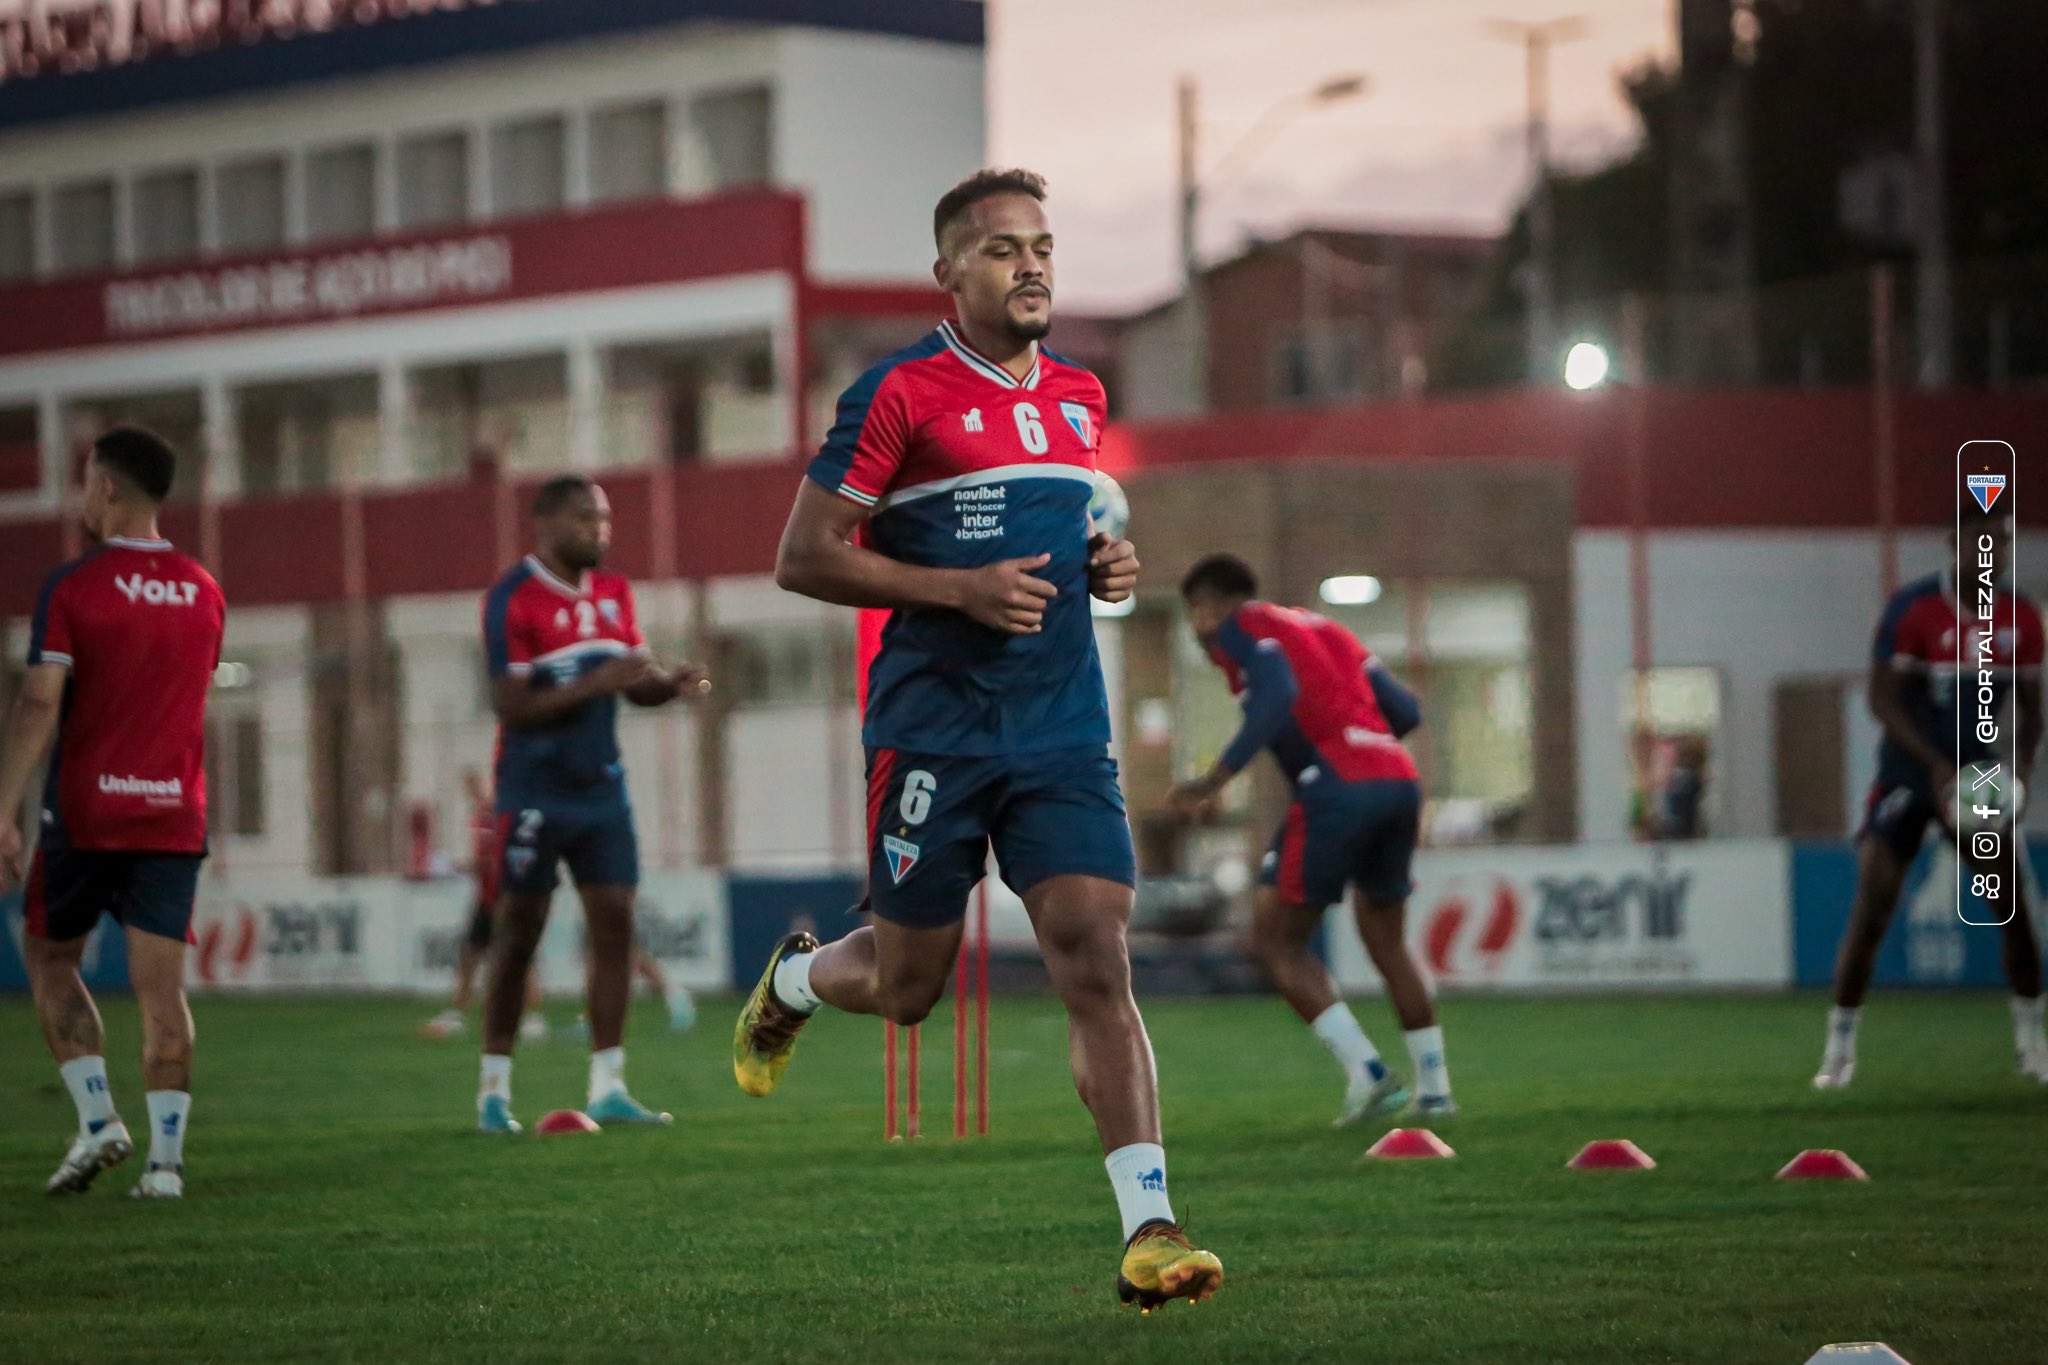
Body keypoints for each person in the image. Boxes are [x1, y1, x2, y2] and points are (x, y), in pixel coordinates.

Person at [731, 168, 1222, 1311]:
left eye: (1042, 245)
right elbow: (802, 558)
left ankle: (1148, 1226)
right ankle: (797, 982)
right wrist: (953, 588)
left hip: (1059, 732)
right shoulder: (895, 396)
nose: (1031, 264)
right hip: (932, 735)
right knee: (908, 990)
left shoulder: (1083, 398)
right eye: (1002, 249)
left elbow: (1076, 534)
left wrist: (1108, 569)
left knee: (1096, 955)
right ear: (948, 273)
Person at [0, 427, 226, 1199]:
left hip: (88, 813)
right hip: (172, 816)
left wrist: (3, 805)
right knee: (164, 991)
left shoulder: (74, 587)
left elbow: (38, 701)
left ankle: (99, 1120)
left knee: (49, 957)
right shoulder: (204, 590)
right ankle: (166, 1165)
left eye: (85, 481)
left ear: (106, 489)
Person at [1168, 554, 1456, 1124]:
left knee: (1273, 942)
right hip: (1397, 779)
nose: (1200, 632)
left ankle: (1369, 1073)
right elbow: (1405, 710)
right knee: (1388, 943)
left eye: (1195, 615)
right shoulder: (1325, 627)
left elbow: (1275, 696)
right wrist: (1360, 737)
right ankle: (1436, 1091)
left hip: (1335, 785)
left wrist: (1214, 779)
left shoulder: (1242, 628)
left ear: (1206, 606)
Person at [476, 474, 707, 1132]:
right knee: (519, 933)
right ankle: (494, 1089)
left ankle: (608, 1084)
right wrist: (596, 681)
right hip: (532, 791)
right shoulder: (512, 597)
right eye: (585, 519)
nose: (600, 531)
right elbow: (511, 705)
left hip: (602, 790)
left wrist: (668, 686)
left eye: (604, 520)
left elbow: (632, 685)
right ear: (544, 524)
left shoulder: (615, 592)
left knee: (616, 926)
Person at [1815, 500, 2045, 1088]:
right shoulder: (1914, 609)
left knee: (2013, 908)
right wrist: (1935, 764)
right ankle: (1840, 1047)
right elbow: (1882, 700)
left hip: (1980, 782)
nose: (1990, 554)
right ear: (1955, 543)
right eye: (1981, 541)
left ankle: (2031, 1039)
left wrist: (2020, 764)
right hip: (1909, 778)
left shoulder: (2021, 616)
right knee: (1874, 905)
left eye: (2001, 543)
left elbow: (2033, 708)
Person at [421, 768, 547, 1042]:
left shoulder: (503, 816)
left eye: (473, 785)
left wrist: (460, 867)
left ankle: (532, 1017)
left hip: (509, 897)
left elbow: (498, 860)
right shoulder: (482, 816)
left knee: (519, 956)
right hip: (487, 897)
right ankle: (458, 1013)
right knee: (470, 954)